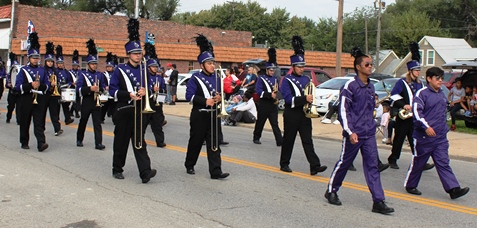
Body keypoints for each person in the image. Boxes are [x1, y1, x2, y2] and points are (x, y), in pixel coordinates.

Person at [325, 47, 394, 215]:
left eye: (371, 64)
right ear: (358, 67)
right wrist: (350, 132)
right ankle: (332, 190)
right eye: (367, 64)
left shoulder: (370, 87)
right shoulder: (350, 86)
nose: (370, 67)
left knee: (372, 166)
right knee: (344, 162)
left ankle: (378, 201)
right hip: (353, 134)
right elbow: (343, 112)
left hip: (368, 133)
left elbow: (369, 110)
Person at [404, 67, 470, 199]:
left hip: (440, 137)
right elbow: (417, 113)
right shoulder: (421, 94)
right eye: (437, 78)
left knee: (443, 162)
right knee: (419, 162)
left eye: (441, 78)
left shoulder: (441, 94)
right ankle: (410, 185)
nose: (440, 81)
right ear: (429, 79)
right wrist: (426, 127)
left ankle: (453, 189)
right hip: (424, 137)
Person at [109, 18, 157, 183]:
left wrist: (146, 92)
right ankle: (117, 169)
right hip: (124, 110)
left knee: (139, 142)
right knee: (121, 141)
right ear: (128, 54)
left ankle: (145, 172)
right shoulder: (120, 70)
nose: (138, 56)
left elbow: (151, 88)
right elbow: (112, 91)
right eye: (135, 53)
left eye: (140, 53)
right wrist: (128, 94)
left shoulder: (145, 70)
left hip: (139, 110)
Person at [279, 36, 327, 175]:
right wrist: (305, 98)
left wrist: (310, 100)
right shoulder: (287, 80)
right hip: (292, 113)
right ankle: (284, 163)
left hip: (304, 114)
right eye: (299, 66)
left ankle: (314, 166)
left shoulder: (306, 79)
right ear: (293, 67)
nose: (302, 69)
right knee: (289, 140)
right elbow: (288, 99)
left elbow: (310, 93)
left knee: (308, 140)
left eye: (303, 66)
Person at [184, 34, 229, 179]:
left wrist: (220, 98)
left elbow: (221, 95)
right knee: (196, 142)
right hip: (200, 114)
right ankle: (190, 164)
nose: (212, 65)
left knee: (214, 143)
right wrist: (205, 101)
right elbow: (188, 96)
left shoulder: (217, 78)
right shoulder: (195, 78)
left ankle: (216, 171)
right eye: (209, 63)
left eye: (213, 63)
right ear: (202, 65)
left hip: (214, 114)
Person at [385, 42, 425, 170]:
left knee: (415, 140)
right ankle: (393, 159)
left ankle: (420, 161)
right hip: (404, 116)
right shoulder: (402, 82)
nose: (418, 72)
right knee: (399, 139)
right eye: (416, 70)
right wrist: (404, 105)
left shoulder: (420, 84)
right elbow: (394, 96)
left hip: (415, 116)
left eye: (419, 70)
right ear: (410, 71)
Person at [14, 32, 49, 152]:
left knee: (39, 123)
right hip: (26, 99)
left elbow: (47, 85)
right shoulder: (23, 70)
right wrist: (30, 85)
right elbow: (17, 87)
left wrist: (40, 86)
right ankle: (24, 141)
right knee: (25, 122)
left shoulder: (42, 70)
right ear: (29, 58)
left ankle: (41, 143)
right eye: (34, 58)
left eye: (37, 58)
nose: (36, 60)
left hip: (39, 99)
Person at [76, 39, 106, 150]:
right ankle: (79, 139)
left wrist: (101, 89)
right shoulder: (83, 75)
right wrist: (90, 88)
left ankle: (98, 143)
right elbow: (79, 90)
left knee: (97, 123)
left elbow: (103, 87)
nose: (94, 66)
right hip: (87, 101)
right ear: (88, 64)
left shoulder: (100, 75)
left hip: (96, 101)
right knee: (83, 121)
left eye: (95, 64)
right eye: (92, 64)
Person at [252, 47, 283, 146]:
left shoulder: (275, 79)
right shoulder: (261, 79)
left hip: (272, 104)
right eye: (270, 70)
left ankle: (279, 140)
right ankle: (256, 137)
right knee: (260, 121)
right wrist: (270, 95)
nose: (272, 72)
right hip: (264, 103)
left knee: (275, 123)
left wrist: (278, 95)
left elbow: (278, 90)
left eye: (273, 70)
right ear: (267, 70)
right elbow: (259, 91)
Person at [143, 42, 167, 148]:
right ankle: (139, 139)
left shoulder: (159, 78)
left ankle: (160, 141)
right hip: (147, 102)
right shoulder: (145, 76)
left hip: (157, 103)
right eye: (153, 67)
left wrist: (160, 89)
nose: (155, 68)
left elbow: (163, 89)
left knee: (157, 124)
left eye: (156, 66)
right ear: (148, 67)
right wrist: (151, 89)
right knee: (143, 124)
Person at [42, 41, 63, 136]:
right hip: (45, 94)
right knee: (42, 112)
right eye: (48, 61)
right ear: (45, 62)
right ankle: (41, 128)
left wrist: (57, 84)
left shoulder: (55, 71)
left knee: (54, 113)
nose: (50, 63)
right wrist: (49, 84)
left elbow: (59, 80)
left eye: (51, 61)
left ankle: (57, 129)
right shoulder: (42, 70)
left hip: (53, 95)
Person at [55, 45, 74, 126]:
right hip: (56, 90)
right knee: (56, 106)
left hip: (64, 90)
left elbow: (70, 80)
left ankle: (67, 118)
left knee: (65, 105)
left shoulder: (66, 72)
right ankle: (56, 119)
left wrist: (69, 84)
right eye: (59, 63)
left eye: (61, 63)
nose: (60, 65)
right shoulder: (54, 71)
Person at [100, 52, 116, 123]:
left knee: (113, 107)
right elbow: (102, 82)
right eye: (108, 67)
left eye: (110, 67)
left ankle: (114, 120)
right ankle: (101, 118)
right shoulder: (103, 74)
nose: (109, 68)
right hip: (106, 93)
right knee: (104, 107)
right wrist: (105, 86)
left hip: (113, 93)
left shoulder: (115, 74)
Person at [6, 52, 20, 125]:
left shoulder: (21, 73)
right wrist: (9, 85)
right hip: (11, 92)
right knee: (11, 106)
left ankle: (18, 120)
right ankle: (8, 117)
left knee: (18, 107)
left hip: (18, 92)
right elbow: (6, 85)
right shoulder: (9, 74)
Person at [69, 50, 81, 118]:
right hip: (72, 87)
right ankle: (77, 113)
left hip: (78, 88)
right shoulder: (70, 72)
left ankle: (71, 111)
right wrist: (71, 83)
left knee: (77, 100)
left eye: (76, 65)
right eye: (74, 65)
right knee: (74, 100)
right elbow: (68, 80)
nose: (75, 66)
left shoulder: (80, 72)